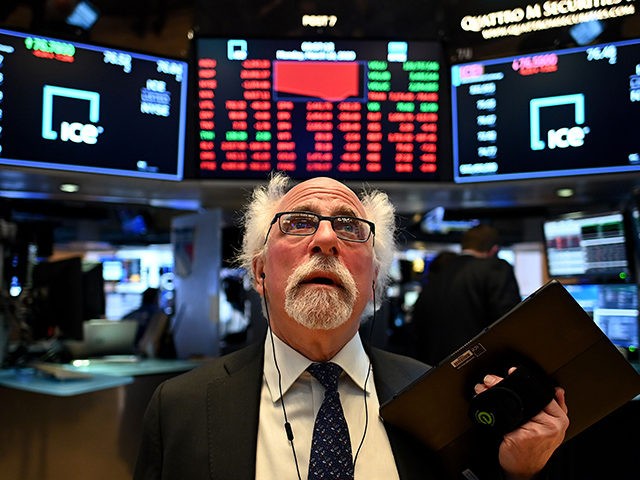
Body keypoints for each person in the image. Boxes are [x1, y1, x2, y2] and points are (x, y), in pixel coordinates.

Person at [134, 174, 568, 479]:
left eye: (348, 226)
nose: (325, 239)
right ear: (260, 272)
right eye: (299, 223)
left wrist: (522, 473)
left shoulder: (437, 395)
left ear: (374, 279)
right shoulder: (179, 408)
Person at [412, 224, 523, 366]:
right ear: (494, 250)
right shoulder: (496, 269)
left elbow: (417, 328)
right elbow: (511, 324)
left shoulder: (439, 273)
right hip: (480, 373)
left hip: (432, 372)